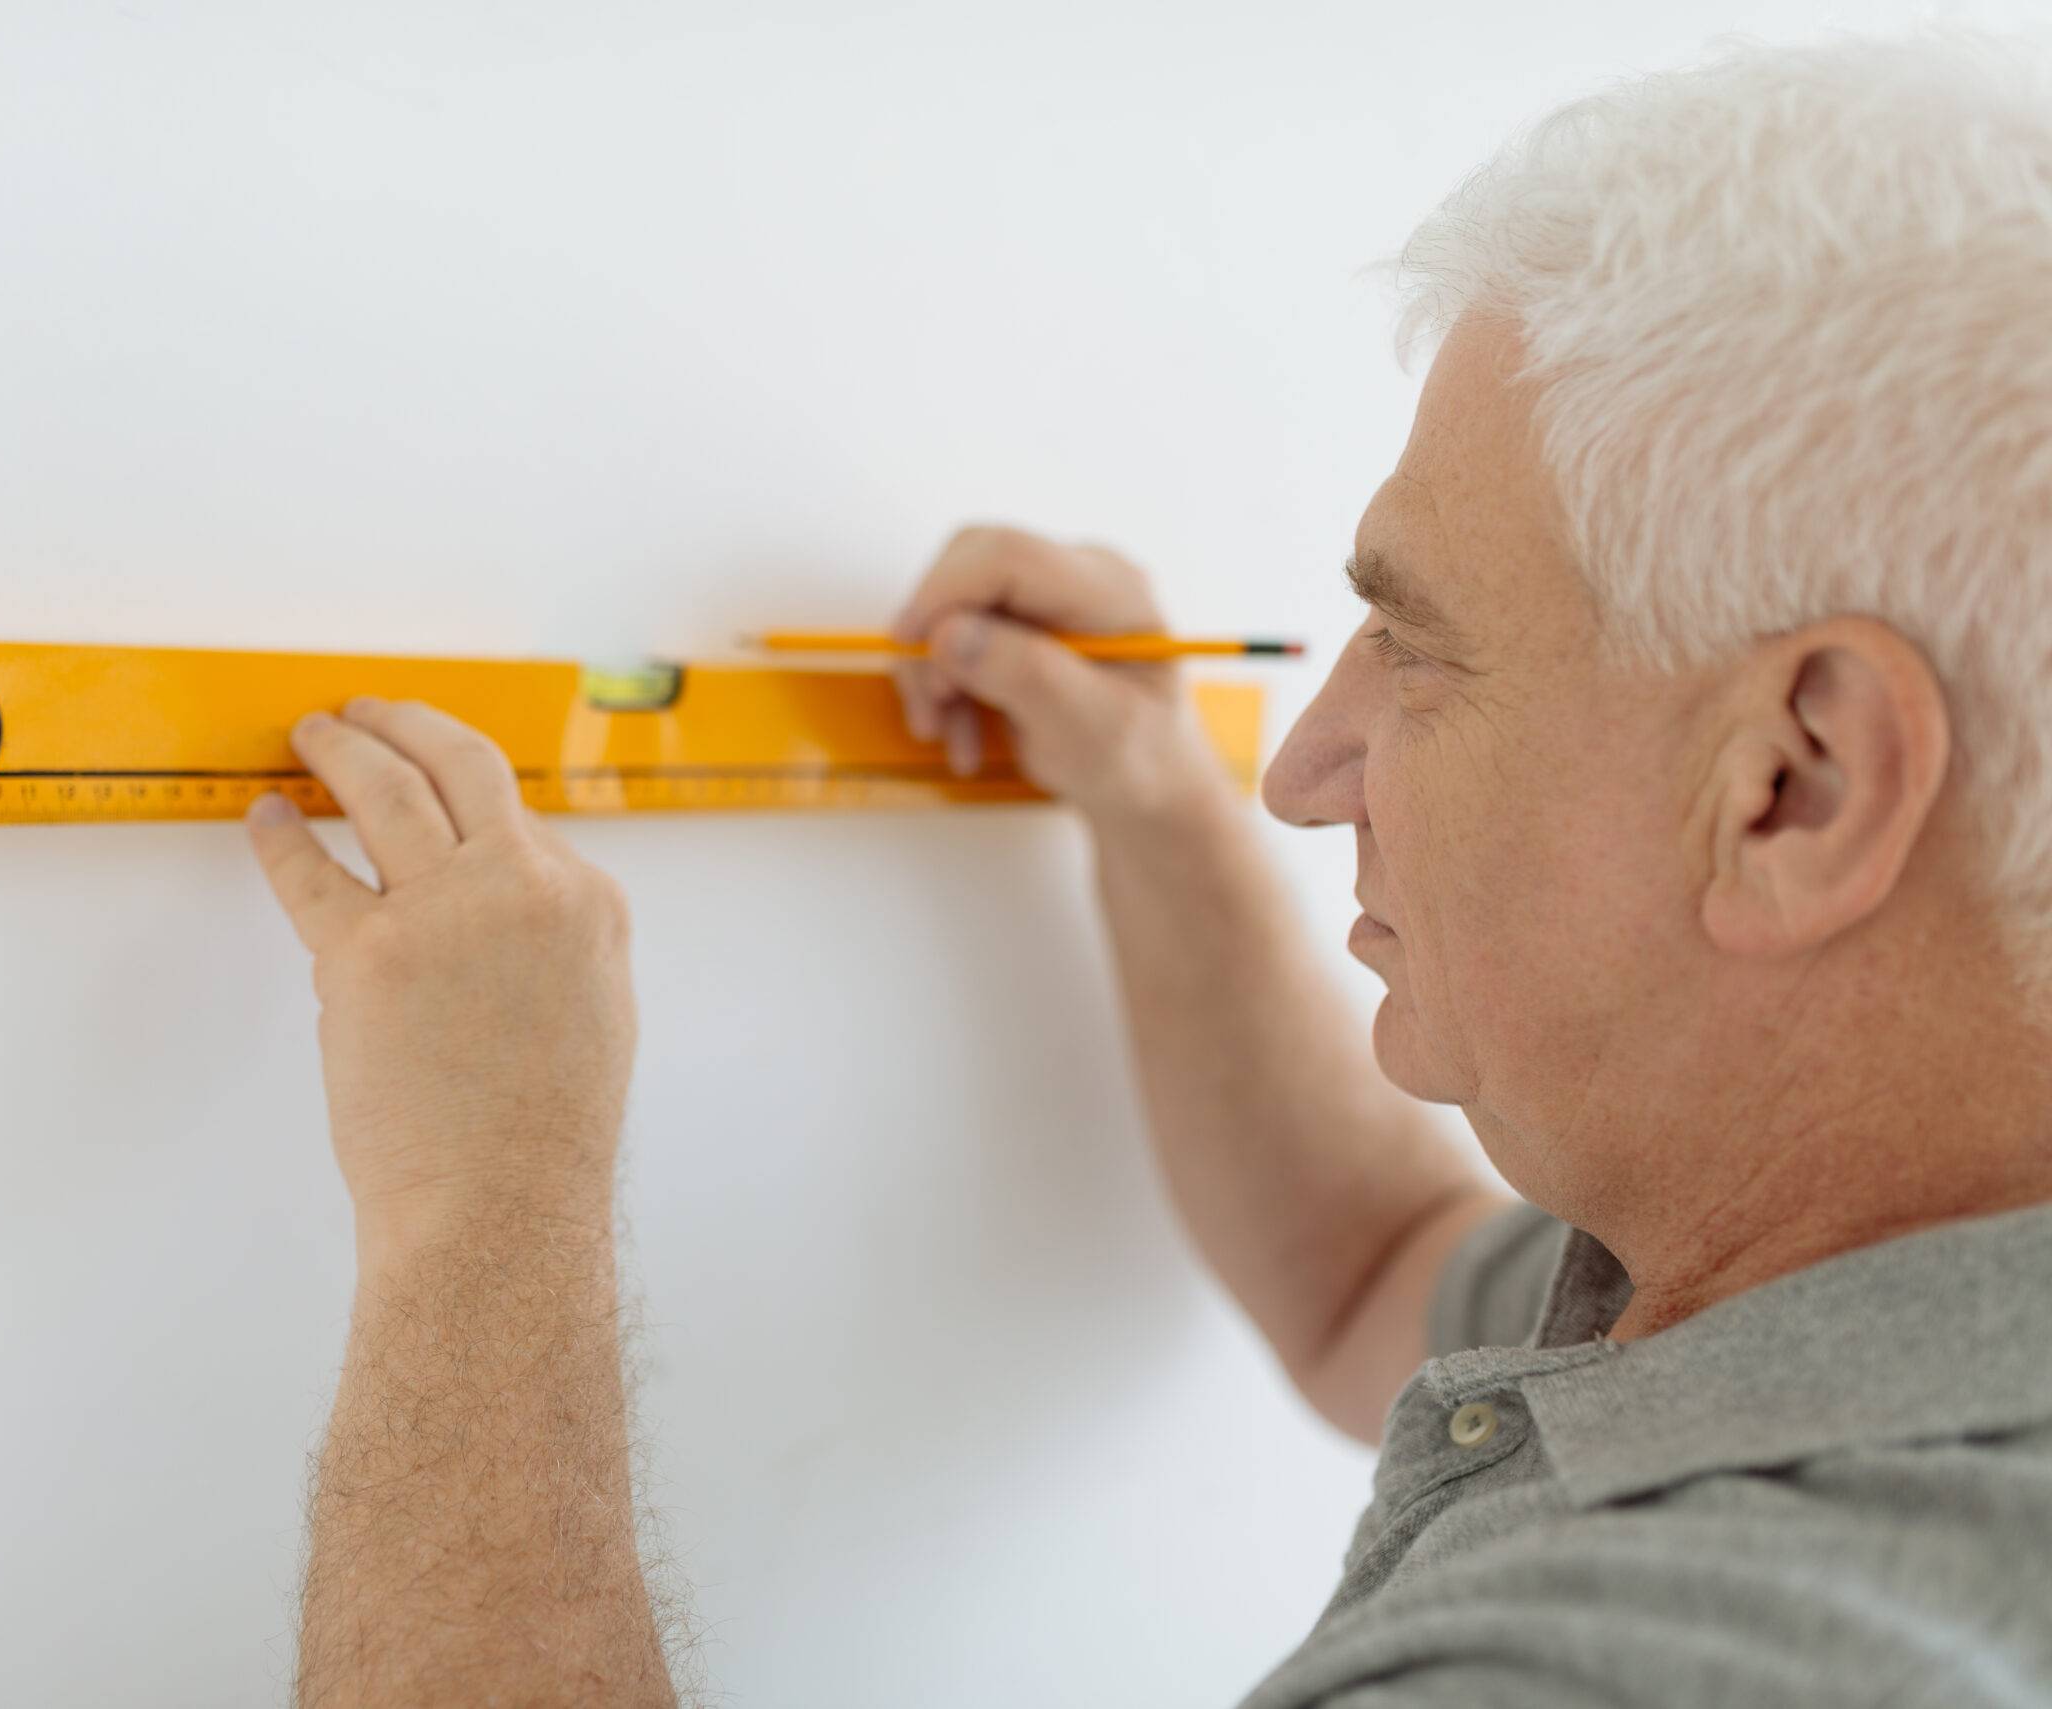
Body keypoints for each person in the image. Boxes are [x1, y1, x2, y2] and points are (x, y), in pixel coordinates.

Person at [242, 28, 2052, 1708]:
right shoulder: (1828, 1284)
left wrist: (484, 1200)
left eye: (1415, 648)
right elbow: (1364, 1268)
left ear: (1795, 787)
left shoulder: (1674, 1662)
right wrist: (1140, 804)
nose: (1298, 769)